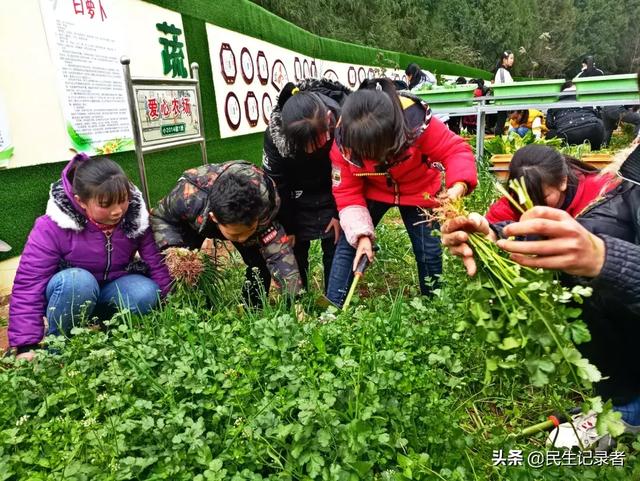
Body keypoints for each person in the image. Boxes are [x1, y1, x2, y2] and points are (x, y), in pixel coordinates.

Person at [441, 142, 640, 445]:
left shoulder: (596, 189)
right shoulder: (631, 171)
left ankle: (627, 412)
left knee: (593, 294)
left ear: (562, 182)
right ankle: (618, 398)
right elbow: (508, 218)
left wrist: (604, 256)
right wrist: (492, 233)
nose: (532, 206)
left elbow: (601, 226)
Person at [326, 78, 477, 307]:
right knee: (351, 244)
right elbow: (347, 192)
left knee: (429, 251)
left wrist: (458, 186)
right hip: (375, 189)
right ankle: (333, 308)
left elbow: (455, 150)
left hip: (419, 189)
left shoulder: (416, 123)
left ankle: (433, 305)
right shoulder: (343, 141)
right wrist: (362, 235)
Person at [8, 154, 172, 361]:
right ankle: (60, 347)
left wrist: (173, 305)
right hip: (71, 292)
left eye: (123, 201)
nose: (117, 211)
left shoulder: (135, 217)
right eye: (105, 204)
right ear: (81, 201)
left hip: (111, 288)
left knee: (146, 291)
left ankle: (113, 334)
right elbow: (29, 282)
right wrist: (25, 346)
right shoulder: (51, 226)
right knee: (78, 282)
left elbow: (156, 263)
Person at [150, 160, 302, 307]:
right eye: (236, 235)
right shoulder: (187, 196)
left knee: (258, 263)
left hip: (247, 214)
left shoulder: (266, 203)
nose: (242, 239)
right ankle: (193, 307)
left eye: (248, 231)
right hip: (196, 215)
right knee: (185, 267)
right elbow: (161, 217)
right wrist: (174, 248)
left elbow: (279, 254)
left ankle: (252, 306)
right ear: (214, 218)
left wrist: (294, 300)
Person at [263, 79, 351, 292]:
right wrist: (289, 227)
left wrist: (339, 214)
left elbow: (350, 177)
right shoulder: (276, 137)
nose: (311, 151)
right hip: (294, 193)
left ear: (329, 121)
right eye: (304, 146)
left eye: (317, 142)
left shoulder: (344, 124)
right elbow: (277, 185)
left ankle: (334, 299)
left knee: (335, 242)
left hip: (334, 186)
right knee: (295, 247)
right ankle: (298, 298)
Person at [486, 145, 616, 224]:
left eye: (543, 197)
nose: (534, 207)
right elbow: (493, 225)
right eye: (525, 199)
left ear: (562, 181)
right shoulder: (512, 204)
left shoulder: (601, 194)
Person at [545, 81, 605, 150]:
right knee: (599, 125)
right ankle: (596, 152)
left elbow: (549, 124)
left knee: (550, 134)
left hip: (567, 134)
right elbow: (599, 113)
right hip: (594, 128)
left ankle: (562, 156)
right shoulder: (585, 98)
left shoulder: (555, 103)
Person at [492, 50, 515, 135]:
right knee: (500, 122)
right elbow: (503, 86)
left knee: (501, 121)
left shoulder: (505, 71)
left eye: (513, 58)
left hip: (504, 101)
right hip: (503, 101)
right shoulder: (501, 71)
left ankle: (499, 140)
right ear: (504, 60)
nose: (512, 60)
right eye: (511, 58)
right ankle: (498, 140)